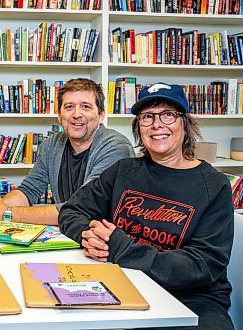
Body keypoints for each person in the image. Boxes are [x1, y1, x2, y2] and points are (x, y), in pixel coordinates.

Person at [59, 83, 234, 329]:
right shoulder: (123, 171)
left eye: (168, 115)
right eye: (147, 117)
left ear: (185, 123)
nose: (157, 124)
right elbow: (71, 210)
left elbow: (201, 265)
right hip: (122, 282)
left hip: (192, 299)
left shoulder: (214, 185)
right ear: (139, 128)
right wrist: (89, 235)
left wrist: (120, 247)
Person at [0, 78, 135, 225]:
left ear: (100, 116)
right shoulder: (52, 144)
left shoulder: (115, 148)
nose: (76, 114)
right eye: (69, 107)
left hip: (104, 246)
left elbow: (82, 208)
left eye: (85, 107)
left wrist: (7, 213)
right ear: (59, 115)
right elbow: (28, 190)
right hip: (69, 235)